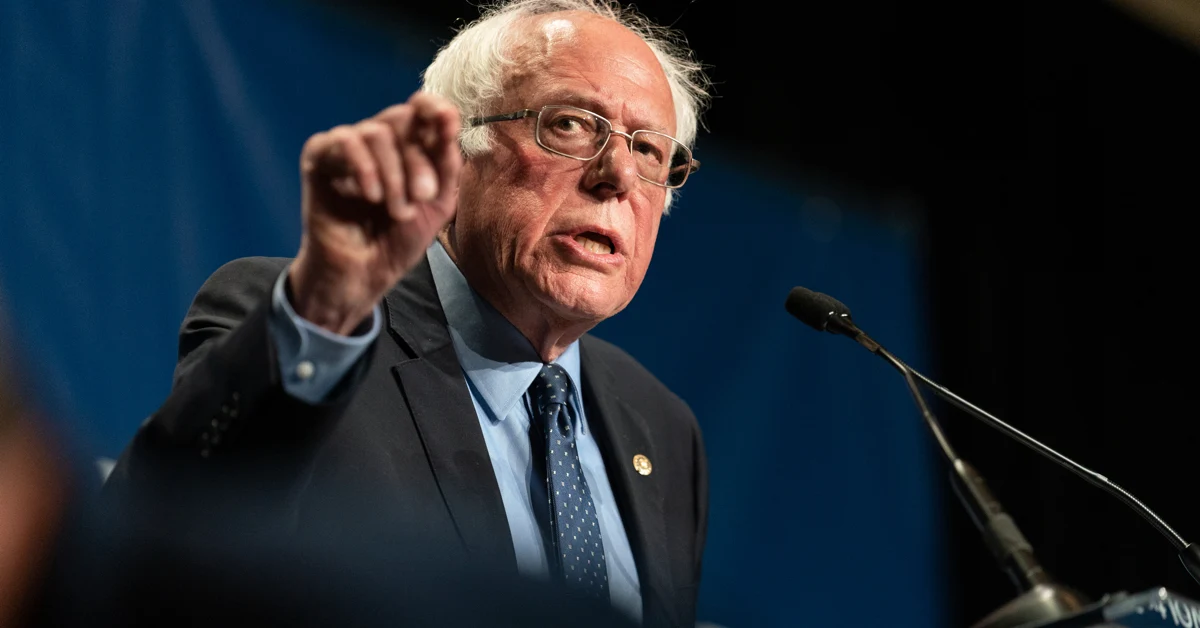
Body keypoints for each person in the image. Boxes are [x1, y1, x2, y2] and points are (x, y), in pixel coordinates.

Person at [107, 1, 712, 626]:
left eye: (649, 151)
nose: (617, 174)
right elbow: (158, 532)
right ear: (452, 152)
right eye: (570, 124)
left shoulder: (664, 431)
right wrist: (321, 311)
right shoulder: (313, 335)